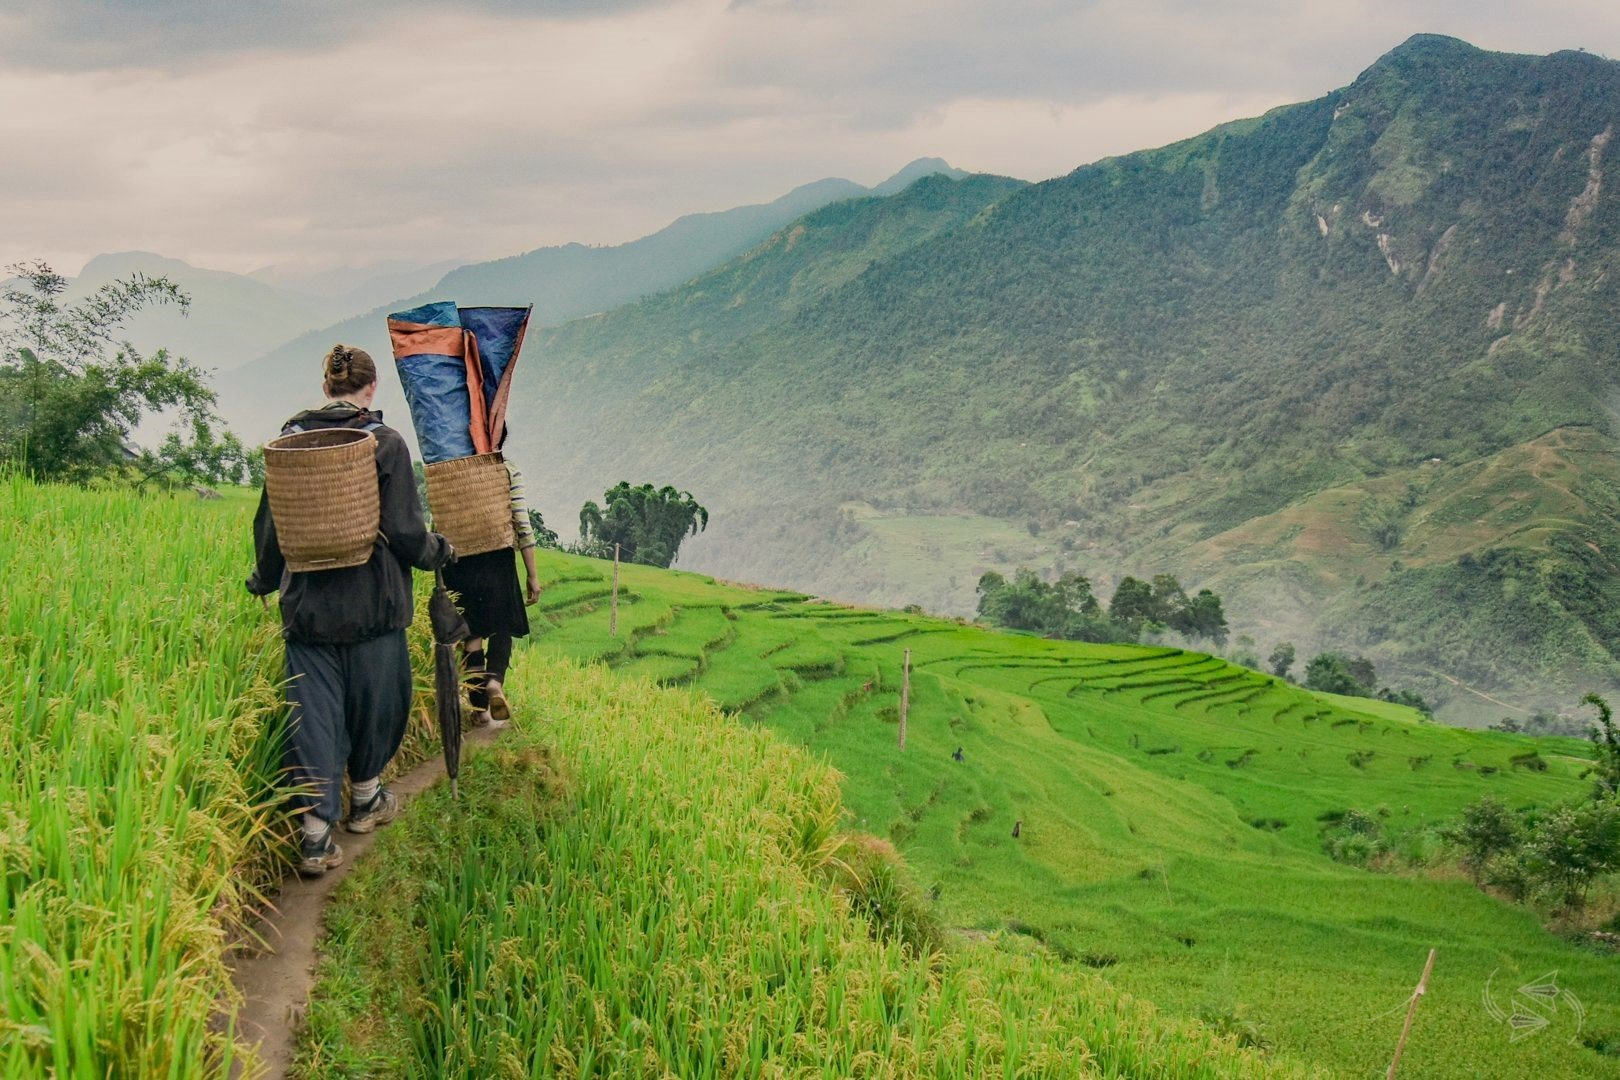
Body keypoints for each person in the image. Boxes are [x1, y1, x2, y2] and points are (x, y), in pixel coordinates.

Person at [247, 345, 454, 876]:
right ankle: (365, 800)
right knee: (378, 707)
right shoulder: (383, 444)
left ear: (325, 387)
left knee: (312, 717)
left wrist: (264, 580)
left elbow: (273, 527)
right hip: (372, 606)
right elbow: (408, 532)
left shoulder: (290, 443)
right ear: (372, 387)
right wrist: (438, 552)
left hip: (308, 610)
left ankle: (315, 836)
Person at [442, 459, 540, 727]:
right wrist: (532, 574)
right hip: (498, 556)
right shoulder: (506, 468)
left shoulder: (448, 469)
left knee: (472, 634)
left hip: (458, 558)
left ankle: (479, 708)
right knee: (501, 627)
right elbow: (521, 521)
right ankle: (495, 682)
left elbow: (438, 520)